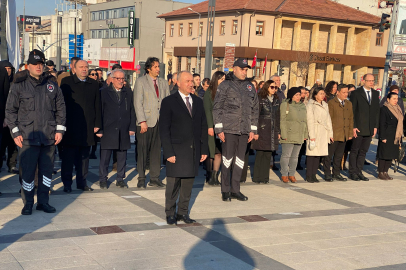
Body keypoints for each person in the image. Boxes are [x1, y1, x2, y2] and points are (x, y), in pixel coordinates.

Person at [6, 49, 66, 215]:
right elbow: (10, 111)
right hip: (27, 137)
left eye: (41, 63)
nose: (38, 67)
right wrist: (15, 132)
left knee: (46, 172)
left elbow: (61, 109)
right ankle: (28, 203)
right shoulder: (19, 86)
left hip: (48, 137)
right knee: (27, 172)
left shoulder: (52, 85)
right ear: (28, 66)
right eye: (34, 64)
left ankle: (43, 202)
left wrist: (59, 130)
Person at [159, 71, 208, 225]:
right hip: (176, 151)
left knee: (187, 185)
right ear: (178, 83)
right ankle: (170, 213)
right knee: (173, 185)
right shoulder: (169, 101)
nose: (191, 84)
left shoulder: (198, 101)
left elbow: (203, 126)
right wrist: (168, 152)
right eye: (187, 81)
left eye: (192, 81)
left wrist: (204, 149)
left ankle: (182, 213)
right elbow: (164, 129)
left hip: (193, 150)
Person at [213, 58, 259, 202]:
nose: (244, 72)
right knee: (227, 160)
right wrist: (219, 128)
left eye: (246, 70)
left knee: (240, 161)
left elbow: (255, 109)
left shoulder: (250, 87)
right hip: (229, 128)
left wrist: (253, 130)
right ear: (235, 68)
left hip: (244, 130)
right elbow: (217, 107)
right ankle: (225, 190)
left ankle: (235, 189)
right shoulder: (225, 85)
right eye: (242, 69)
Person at [60, 60, 102, 192]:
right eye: (81, 67)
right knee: (68, 158)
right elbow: (61, 104)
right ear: (74, 69)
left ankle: (82, 182)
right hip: (70, 126)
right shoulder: (66, 82)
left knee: (84, 158)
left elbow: (97, 105)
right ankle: (67, 184)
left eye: (86, 67)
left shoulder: (94, 84)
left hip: (87, 126)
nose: (84, 69)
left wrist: (97, 124)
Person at [134, 57, 170, 188]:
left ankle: (154, 178)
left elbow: (166, 102)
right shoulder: (141, 82)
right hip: (145, 122)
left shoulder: (163, 83)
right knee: (143, 151)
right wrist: (142, 120)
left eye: (158, 67)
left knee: (156, 151)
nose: (158, 69)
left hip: (159, 121)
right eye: (155, 67)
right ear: (148, 68)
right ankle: (141, 178)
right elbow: (138, 102)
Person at [97, 69, 136, 189]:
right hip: (108, 128)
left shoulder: (128, 92)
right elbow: (99, 111)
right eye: (118, 79)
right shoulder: (103, 92)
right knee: (105, 157)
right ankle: (103, 179)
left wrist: (132, 127)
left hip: (123, 128)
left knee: (122, 156)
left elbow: (132, 110)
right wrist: (99, 129)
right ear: (112, 79)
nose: (120, 81)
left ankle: (120, 179)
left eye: (123, 79)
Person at [349, 73, 380, 181]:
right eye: (369, 80)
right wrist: (353, 126)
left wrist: (375, 126)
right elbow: (352, 111)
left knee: (363, 151)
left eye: (373, 80)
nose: (371, 82)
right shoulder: (356, 93)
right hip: (358, 127)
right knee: (355, 150)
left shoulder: (376, 94)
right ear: (364, 81)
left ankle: (359, 171)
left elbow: (377, 111)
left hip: (370, 128)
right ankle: (353, 172)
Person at [252, 80, 280, 184]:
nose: (274, 89)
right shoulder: (260, 99)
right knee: (260, 153)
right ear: (267, 87)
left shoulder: (276, 100)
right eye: (272, 87)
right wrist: (255, 131)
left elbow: (278, 116)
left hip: (272, 130)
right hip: (262, 129)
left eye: (275, 87)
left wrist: (278, 131)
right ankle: (257, 177)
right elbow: (255, 115)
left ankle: (264, 178)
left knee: (268, 154)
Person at [324, 84, 353, 181]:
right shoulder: (331, 103)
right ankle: (327, 173)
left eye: (347, 92)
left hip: (344, 135)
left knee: (339, 156)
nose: (346, 94)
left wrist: (349, 134)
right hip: (334, 134)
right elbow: (329, 120)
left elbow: (350, 119)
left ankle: (336, 173)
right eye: (344, 92)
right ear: (338, 92)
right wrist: (329, 134)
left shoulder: (349, 103)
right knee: (329, 156)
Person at [280, 87, 308, 183]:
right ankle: (284, 174)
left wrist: (305, 134)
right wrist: (284, 134)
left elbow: (305, 121)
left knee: (295, 156)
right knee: (286, 155)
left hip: (299, 134)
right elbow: (282, 120)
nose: (298, 97)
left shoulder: (302, 106)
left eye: (299, 95)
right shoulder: (285, 105)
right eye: (296, 95)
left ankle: (292, 174)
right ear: (291, 95)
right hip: (289, 133)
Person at [306, 87, 333, 183]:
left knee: (318, 154)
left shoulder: (325, 105)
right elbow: (310, 120)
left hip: (323, 131)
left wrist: (330, 133)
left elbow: (328, 119)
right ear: (315, 95)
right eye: (321, 93)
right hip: (315, 130)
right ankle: (309, 175)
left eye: (323, 93)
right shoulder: (310, 105)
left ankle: (314, 175)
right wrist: (312, 135)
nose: (323, 95)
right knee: (311, 154)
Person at [203, 71, 225, 185]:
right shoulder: (209, 92)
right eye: (221, 79)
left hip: (221, 127)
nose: (223, 81)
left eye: (224, 79)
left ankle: (216, 176)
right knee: (211, 153)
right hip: (211, 126)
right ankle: (210, 176)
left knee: (218, 152)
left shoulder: (225, 92)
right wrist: (210, 126)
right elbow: (207, 110)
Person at [377, 92, 403, 180]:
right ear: (388, 99)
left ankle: (386, 172)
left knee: (391, 155)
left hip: (395, 136)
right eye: (394, 99)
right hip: (387, 134)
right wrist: (382, 137)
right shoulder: (384, 109)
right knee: (384, 154)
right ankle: (380, 172)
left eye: (397, 99)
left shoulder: (398, 108)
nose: (396, 101)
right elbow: (382, 123)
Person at [0, 61, 18, 174]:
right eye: (5, 68)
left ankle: (12, 164)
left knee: (13, 144)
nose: (8, 70)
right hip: (2, 119)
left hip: (13, 119)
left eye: (9, 68)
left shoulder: (16, 83)